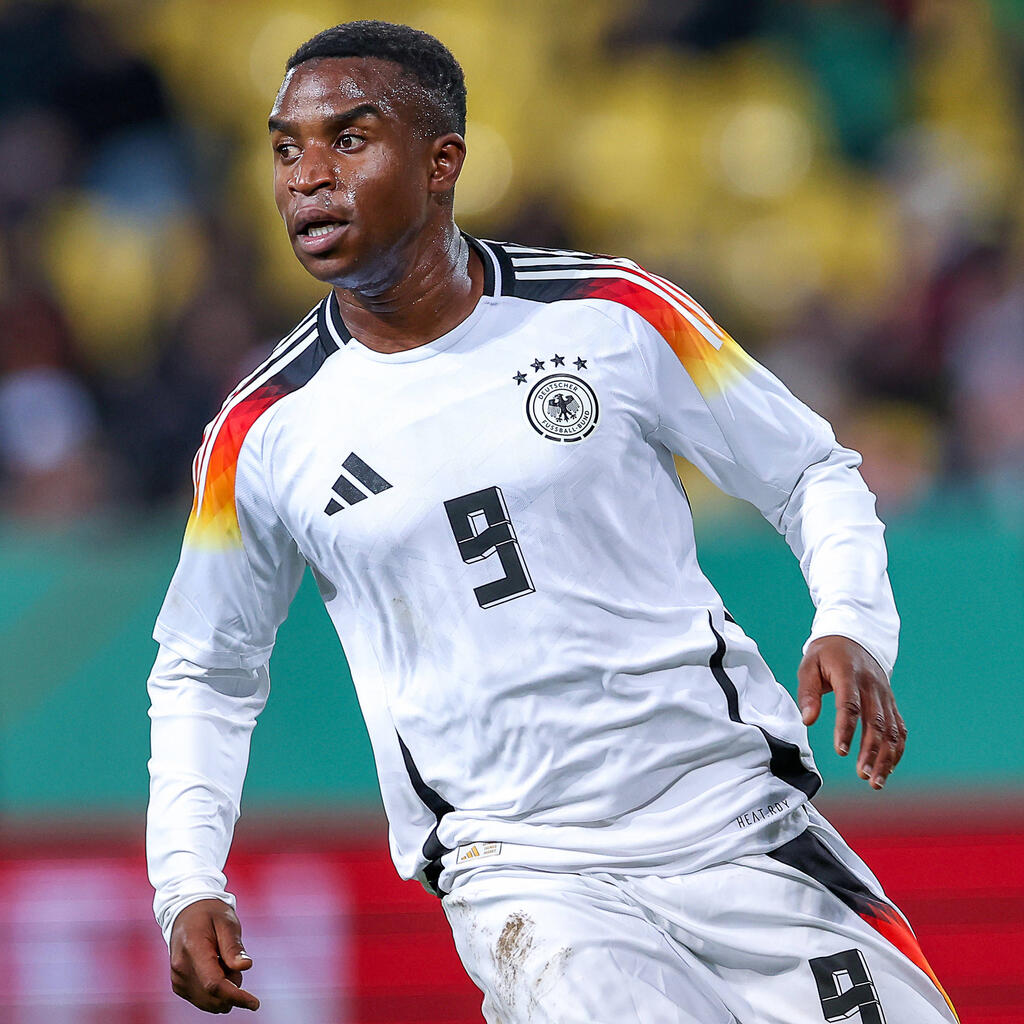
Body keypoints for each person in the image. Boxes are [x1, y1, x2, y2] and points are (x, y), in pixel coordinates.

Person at [146, 20, 959, 1023]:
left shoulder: (611, 314)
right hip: (527, 870)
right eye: (286, 149)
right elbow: (205, 668)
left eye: (347, 140)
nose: (307, 176)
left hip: (740, 824)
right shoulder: (263, 431)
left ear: (441, 162)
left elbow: (808, 471)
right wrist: (186, 877)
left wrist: (850, 621)